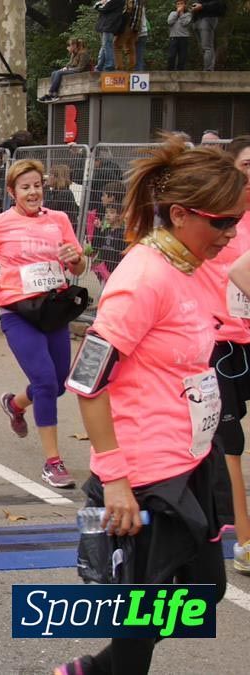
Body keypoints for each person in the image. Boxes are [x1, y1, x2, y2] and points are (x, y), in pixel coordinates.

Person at [53, 134, 242, 675]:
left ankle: (93, 668)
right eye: (221, 223)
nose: (229, 236)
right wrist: (113, 478)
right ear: (180, 214)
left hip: (190, 460)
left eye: (236, 221)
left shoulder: (193, 262)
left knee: (203, 594)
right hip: (143, 476)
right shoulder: (142, 278)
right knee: (139, 619)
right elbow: (87, 380)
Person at [0, 159, 87, 489]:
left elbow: (78, 267)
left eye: (37, 185)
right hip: (16, 310)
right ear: (12, 192)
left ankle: (15, 403)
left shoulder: (60, 220)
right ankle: (53, 462)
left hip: (52, 308)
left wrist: (74, 259)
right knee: (46, 381)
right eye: (25, 187)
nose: (33, 192)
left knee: (60, 382)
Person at [212, 135, 250, 575]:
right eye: (246, 163)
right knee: (229, 441)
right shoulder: (216, 219)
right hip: (219, 340)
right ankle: (243, 539)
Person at [40, 38, 89, 102]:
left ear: (74, 46)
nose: (68, 47)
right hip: (73, 70)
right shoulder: (73, 54)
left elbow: (80, 68)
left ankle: (51, 93)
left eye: (69, 45)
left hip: (80, 72)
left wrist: (68, 69)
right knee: (54, 73)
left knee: (59, 73)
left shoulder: (83, 53)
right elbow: (69, 64)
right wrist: (65, 68)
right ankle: (54, 94)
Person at [190, 0, 224, 72]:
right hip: (197, 20)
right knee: (203, 48)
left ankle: (208, 70)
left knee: (207, 47)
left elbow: (219, 4)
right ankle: (208, 68)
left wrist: (202, 6)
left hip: (207, 18)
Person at [94, 0, 127, 72]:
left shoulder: (115, 1)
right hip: (105, 25)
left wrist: (98, 5)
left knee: (107, 45)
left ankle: (109, 66)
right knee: (104, 46)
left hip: (109, 25)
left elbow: (103, 8)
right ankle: (99, 66)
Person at [167, 2, 193, 71]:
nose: (179, 5)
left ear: (185, 5)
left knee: (182, 56)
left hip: (184, 37)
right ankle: (170, 71)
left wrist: (181, 14)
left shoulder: (188, 14)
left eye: (181, 4)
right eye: (178, 4)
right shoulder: (172, 13)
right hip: (173, 36)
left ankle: (180, 72)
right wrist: (177, 13)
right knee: (171, 56)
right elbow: (169, 22)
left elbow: (185, 23)